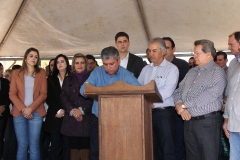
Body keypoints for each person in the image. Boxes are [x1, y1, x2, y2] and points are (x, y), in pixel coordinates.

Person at [80, 46, 140, 160]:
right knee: (95, 151)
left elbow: (139, 91)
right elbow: (83, 90)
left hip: (120, 121)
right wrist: (98, 91)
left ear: (118, 61)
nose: (108, 68)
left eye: (111, 64)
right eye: (105, 64)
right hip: (98, 119)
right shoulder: (97, 72)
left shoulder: (127, 74)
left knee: (117, 150)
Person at [174, 39, 227, 160]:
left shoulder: (217, 72)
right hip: (188, 121)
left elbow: (210, 95)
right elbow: (178, 91)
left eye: (197, 53)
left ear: (208, 54)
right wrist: (179, 106)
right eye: (194, 53)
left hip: (207, 123)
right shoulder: (192, 72)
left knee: (209, 156)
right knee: (192, 156)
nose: (194, 56)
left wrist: (185, 105)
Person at [138, 37, 179, 160]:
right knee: (151, 150)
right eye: (149, 51)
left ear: (163, 51)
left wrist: (149, 102)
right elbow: (138, 88)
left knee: (167, 150)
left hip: (163, 114)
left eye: (154, 51)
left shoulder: (172, 69)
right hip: (147, 115)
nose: (151, 54)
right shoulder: (145, 69)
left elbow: (167, 92)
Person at [9, 47, 47, 160]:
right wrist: (23, 109)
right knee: (22, 145)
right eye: (31, 56)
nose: (34, 58)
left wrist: (30, 108)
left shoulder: (42, 73)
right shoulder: (16, 73)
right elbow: (12, 94)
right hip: (19, 112)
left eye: (36, 57)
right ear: (26, 58)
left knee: (34, 145)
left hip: (36, 113)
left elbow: (43, 94)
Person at [61, 53, 93, 160]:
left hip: (87, 118)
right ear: (73, 65)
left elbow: (93, 97)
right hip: (71, 119)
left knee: (86, 147)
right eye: (77, 63)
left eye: (82, 63)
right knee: (73, 148)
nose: (80, 65)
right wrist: (72, 111)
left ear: (86, 64)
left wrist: (82, 110)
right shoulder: (67, 79)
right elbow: (63, 97)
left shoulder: (92, 77)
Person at [163, 37, 189, 160]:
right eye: (162, 48)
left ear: (174, 49)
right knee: (163, 144)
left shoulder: (182, 65)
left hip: (178, 110)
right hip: (162, 112)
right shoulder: (154, 66)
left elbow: (185, 89)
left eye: (167, 47)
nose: (165, 51)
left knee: (178, 142)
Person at [43, 54, 71, 160]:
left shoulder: (72, 78)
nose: (59, 64)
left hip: (69, 116)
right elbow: (48, 97)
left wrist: (65, 110)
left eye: (62, 61)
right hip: (55, 116)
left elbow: (74, 97)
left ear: (67, 63)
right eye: (57, 62)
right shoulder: (50, 79)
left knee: (67, 146)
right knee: (54, 145)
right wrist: (59, 109)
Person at [223, 31, 240, 160]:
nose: (229, 47)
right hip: (233, 124)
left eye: (231, 44)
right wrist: (226, 118)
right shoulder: (233, 64)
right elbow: (229, 93)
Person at [0, 63, 11, 158]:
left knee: (1, 136)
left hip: (3, 113)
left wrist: (3, 106)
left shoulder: (5, 82)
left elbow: (10, 96)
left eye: (1, 69)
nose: (1, 71)